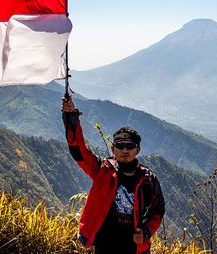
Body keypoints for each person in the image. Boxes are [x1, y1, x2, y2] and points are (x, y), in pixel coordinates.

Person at [61, 96, 165, 254]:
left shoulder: (148, 179)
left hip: (136, 247)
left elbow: (158, 209)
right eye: (120, 146)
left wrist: (146, 232)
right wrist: (71, 117)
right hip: (106, 244)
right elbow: (79, 151)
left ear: (138, 150)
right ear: (112, 149)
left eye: (130, 146)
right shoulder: (103, 170)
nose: (125, 150)